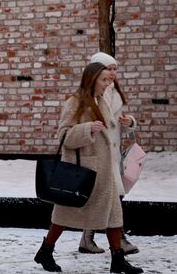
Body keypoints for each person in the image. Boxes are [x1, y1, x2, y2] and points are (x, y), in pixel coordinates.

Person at [34, 62, 143, 273]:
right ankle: (46, 251)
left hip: (105, 170)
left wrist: (129, 122)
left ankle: (117, 260)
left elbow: (110, 132)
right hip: (84, 171)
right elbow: (63, 135)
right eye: (103, 80)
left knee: (113, 214)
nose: (107, 83)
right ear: (92, 79)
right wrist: (87, 129)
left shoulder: (100, 101)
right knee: (64, 215)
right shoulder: (75, 102)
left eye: (109, 80)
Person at [79, 52, 139, 255]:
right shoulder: (91, 93)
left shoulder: (114, 91)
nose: (113, 73)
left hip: (114, 153)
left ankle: (89, 239)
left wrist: (129, 122)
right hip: (98, 153)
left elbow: (120, 119)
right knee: (105, 197)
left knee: (110, 197)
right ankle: (115, 240)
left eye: (115, 69)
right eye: (109, 69)